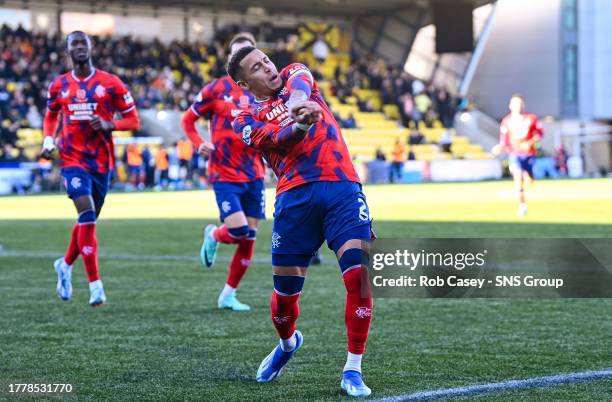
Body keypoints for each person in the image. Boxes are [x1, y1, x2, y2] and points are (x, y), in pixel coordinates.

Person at [228, 46, 374, 397]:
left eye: (265, 60)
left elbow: (299, 87)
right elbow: (274, 141)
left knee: (360, 276)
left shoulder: (295, 74)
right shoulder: (244, 117)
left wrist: (297, 105)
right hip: (294, 201)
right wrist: (298, 124)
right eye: (257, 68)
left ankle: (352, 369)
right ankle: (288, 343)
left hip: (342, 188)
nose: (267, 67)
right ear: (243, 82)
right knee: (284, 300)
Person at [40, 31, 140, 306]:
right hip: (72, 160)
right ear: (68, 50)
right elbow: (50, 115)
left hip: (101, 162)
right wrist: (48, 140)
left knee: (88, 219)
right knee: (86, 213)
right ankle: (96, 285)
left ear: (91, 48)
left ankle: (64, 265)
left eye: (84, 43)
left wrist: (111, 124)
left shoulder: (110, 83)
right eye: (75, 44)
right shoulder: (59, 85)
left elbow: (133, 120)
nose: (80, 47)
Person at [181, 33, 265, 311]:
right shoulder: (215, 89)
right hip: (225, 173)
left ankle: (228, 294)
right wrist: (198, 144)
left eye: (248, 52)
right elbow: (188, 120)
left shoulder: (263, 91)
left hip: (255, 174)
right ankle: (215, 235)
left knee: (250, 238)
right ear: (230, 59)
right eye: (237, 54)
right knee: (239, 230)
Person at [493, 94, 543, 216]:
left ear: (523, 105)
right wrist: (500, 147)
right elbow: (504, 139)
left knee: (529, 179)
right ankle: (522, 205)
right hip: (514, 154)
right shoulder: (506, 121)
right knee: (517, 175)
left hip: (529, 154)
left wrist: (529, 143)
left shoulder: (531, 119)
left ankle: (523, 190)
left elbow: (539, 134)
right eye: (515, 104)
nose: (517, 106)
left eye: (519, 104)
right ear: (510, 106)